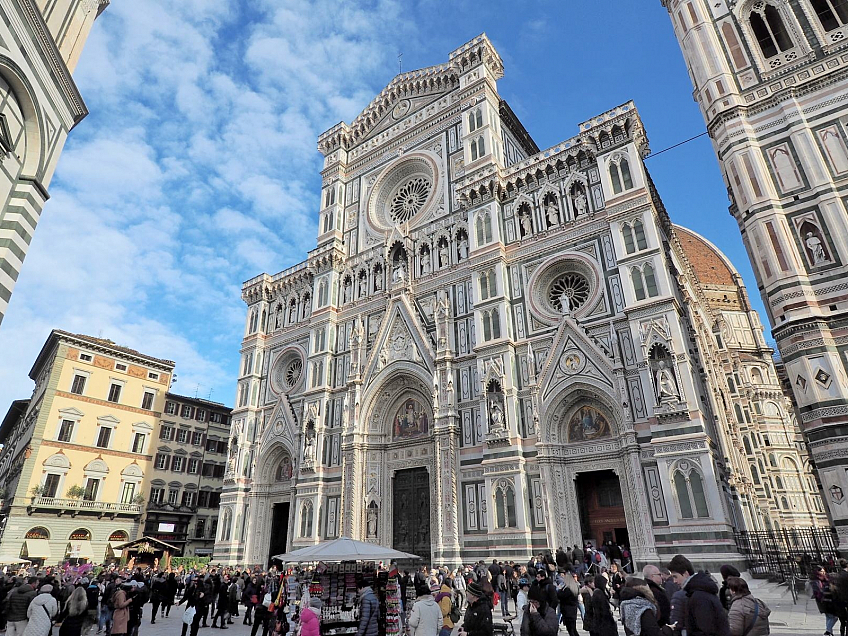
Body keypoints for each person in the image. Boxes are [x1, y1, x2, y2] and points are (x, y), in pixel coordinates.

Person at [668, 554, 729, 636]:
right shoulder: (699, 590)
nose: (674, 581)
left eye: (675, 577)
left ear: (685, 573)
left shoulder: (699, 595)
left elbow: (705, 629)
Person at [812, 565, 839, 636]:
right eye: (821, 571)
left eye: (824, 571)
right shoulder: (816, 581)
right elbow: (819, 592)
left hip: (830, 600)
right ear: (817, 572)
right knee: (834, 617)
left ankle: (829, 631)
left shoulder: (826, 578)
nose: (823, 573)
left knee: (829, 617)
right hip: (824, 602)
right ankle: (828, 631)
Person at [556, 571, 579, 636]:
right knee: (573, 629)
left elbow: (560, 595)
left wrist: (560, 589)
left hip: (568, 611)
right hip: (572, 611)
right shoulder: (574, 588)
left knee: (571, 630)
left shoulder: (568, 589)